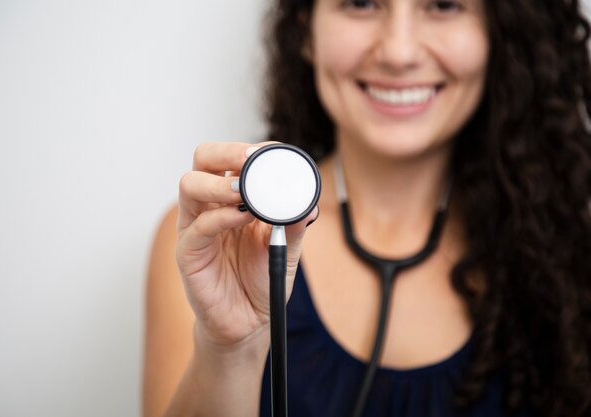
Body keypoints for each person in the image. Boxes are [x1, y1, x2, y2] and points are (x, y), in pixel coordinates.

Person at [142, 0, 591, 416]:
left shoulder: (569, 251)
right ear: (305, 29)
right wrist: (229, 352)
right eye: (360, 2)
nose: (398, 52)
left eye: (443, 4)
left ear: (500, 33)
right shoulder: (215, 243)